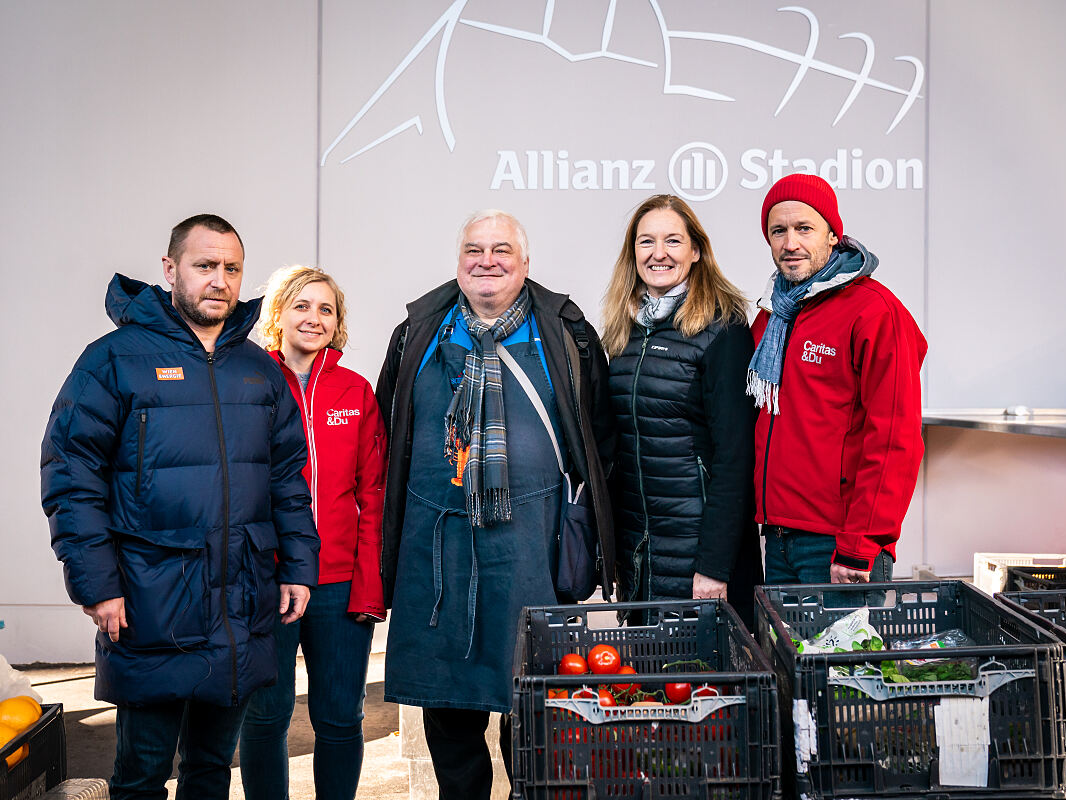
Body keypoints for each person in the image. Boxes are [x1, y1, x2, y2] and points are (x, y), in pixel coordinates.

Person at [40, 215, 320, 800]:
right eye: (205, 265)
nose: (220, 280)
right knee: (142, 776)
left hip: (240, 603)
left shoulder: (258, 370)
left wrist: (297, 565)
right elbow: (70, 473)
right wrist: (96, 583)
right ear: (171, 270)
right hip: (150, 602)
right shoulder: (114, 359)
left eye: (232, 269)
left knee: (212, 771)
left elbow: (288, 479)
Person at [376, 210, 614, 799]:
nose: (488, 261)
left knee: (533, 704)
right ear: (457, 262)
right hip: (438, 549)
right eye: (474, 250)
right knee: (449, 710)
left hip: (531, 542)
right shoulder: (417, 332)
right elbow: (389, 433)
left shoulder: (566, 332)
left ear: (526, 263)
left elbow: (600, 443)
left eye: (502, 250)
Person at [238, 266, 386, 799]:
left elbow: (374, 495)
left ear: (338, 323)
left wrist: (370, 586)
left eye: (326, 309)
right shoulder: (248, 382)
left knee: (341, 716)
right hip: (269, 580)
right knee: (266, 716)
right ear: (278, 315)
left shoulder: (356, 391)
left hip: (341, 583)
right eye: (301, 306)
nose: (314, 318)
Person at [749, 173, 927, 590]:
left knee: (844, 657)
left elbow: (894, 439)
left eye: (804, 228)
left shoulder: (875, 312)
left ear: (832, 235)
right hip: (777, 538)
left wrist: (861, 543)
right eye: (779, 231)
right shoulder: (772, 317)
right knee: (781, 658)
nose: (790, 243)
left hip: (837, 546)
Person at [601, 194, 763, 624]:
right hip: (642, 554)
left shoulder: (721, 329)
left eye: (673, 241)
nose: (659, 254)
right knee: (648, 686)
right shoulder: (624, 332)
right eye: (646, 241)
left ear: (695, 251)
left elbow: (734, 459)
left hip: (700, 559)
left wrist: (714, 566)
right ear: (632, 253)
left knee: (708, 686)